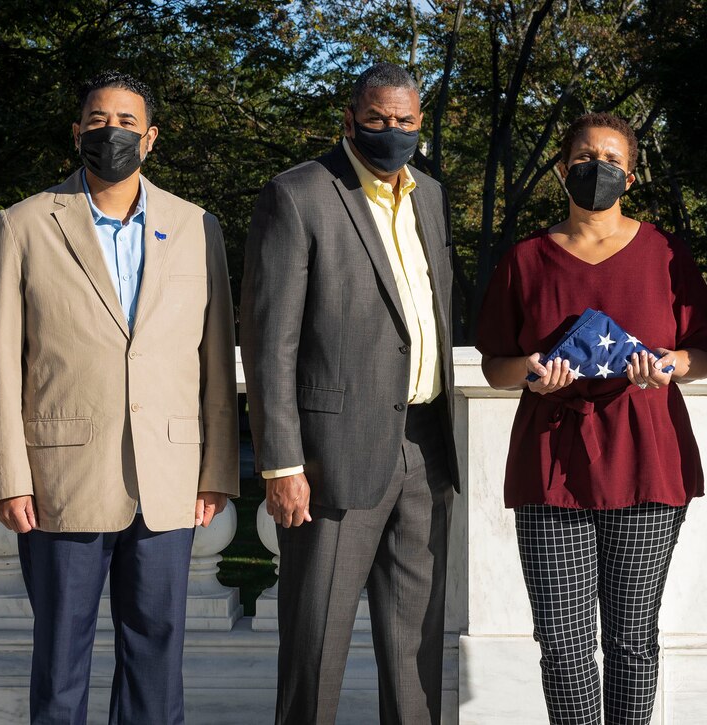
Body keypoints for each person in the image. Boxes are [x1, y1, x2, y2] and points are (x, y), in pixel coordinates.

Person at [0, 70, 239, 724]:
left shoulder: (196, 227)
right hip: (60, 478)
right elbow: (1, 363)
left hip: (169, 477)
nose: (112, 133)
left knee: (157, 658)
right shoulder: (21, 226)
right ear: (77, 132)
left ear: (151, 139)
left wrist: (215, 470)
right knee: (61, 662)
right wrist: (8, 476)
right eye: (99, 121)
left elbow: (214, 356)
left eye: (127, 123)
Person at [476, 112, 707, 725]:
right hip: (552, 459)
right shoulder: (525, 260)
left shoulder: (666, 253)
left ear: (631, 177)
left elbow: (703, 353)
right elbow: (494, 366)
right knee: (562, 644)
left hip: (645, 455)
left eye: (612, 160)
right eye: (585, 157)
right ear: (562, 169)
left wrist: (671, 365)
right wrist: (530, 370)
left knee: (632, 641)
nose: (598, 169)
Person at [239, 62, 459, 725]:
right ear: (349, 119)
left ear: (420, 123)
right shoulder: (299, 195)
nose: (391, 131)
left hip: (425, 448)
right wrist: (280, 462)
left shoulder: (432, 196)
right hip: (331, 458)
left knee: (416, 648)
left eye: (405, 121)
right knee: (315, 645)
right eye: (377, 119)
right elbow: (269, 340)